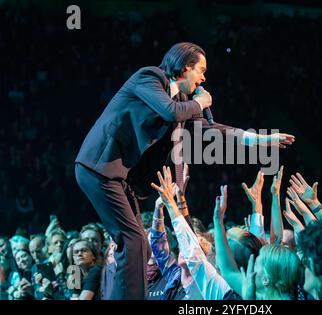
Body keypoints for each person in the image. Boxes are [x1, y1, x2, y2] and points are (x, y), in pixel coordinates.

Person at [75, 42, 294, 299]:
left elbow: (208, 130)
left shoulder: (181, 101)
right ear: (186, 67)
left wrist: (255, 139)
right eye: (200, 70)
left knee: (141, 247)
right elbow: (170, 112)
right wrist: (200, 102)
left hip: (120, 178)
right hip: (98, 168)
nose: (203, 77)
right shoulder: (149, 78)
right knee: (131, 240)